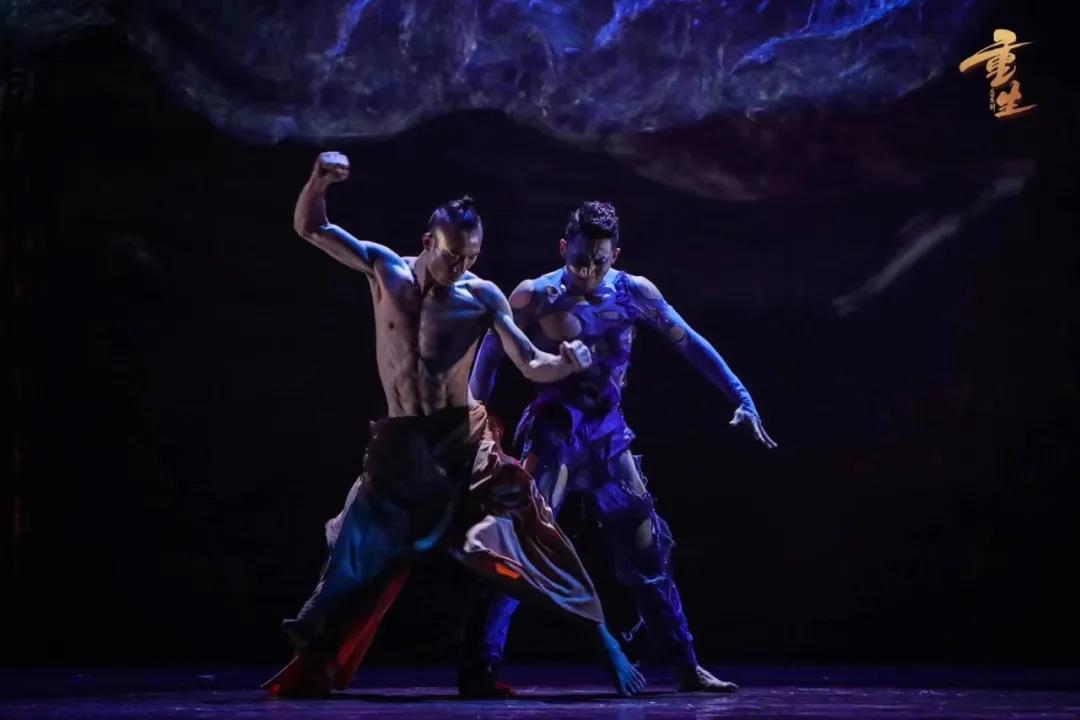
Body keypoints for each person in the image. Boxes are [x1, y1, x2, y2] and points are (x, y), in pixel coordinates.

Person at [263, 155, 646, 699]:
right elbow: (311, 227)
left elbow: (530, 361)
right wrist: (319, 182)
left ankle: (583, 641)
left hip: (463, 442)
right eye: (452, 256)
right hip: (401, 446)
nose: (461, 267)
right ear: (427, 242)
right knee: (353, 555)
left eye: (471, 257)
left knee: (517, 541)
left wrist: (566, 363)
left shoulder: (481, 296)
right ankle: (316, 662)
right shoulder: (384, 270)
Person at [468, 201, 777, 693]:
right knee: (523, 542)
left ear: (615, 255)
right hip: (555, 431)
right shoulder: (534, 296)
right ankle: (482, 666)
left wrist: (741, 395)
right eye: (580, 260)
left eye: (600, 261)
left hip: (609, 436)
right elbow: (489, 356)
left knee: (647, 550)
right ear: (563, 248)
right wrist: (473, 424)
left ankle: (684, 664)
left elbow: (690, 342)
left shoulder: (634, 293)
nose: (589, 271)